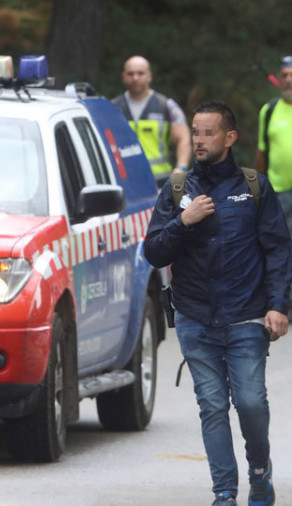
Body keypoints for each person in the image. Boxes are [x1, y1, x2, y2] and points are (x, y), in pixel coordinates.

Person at [144, 101, 291, 506]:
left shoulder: (254, 187)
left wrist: (279, 305)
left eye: (208, 132)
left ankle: (259, 471)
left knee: (249, 402)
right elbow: (154, 252)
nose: (199, 140)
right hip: (195, 318)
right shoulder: (177, 189)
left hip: (247, 317)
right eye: (195, 132)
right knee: (211, 406)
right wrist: (182, 221)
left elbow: (278, 251)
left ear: (229, 138)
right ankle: (224, 493)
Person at [112, 55, 192, 184]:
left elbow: (184, 138)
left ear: (149, 76)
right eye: (130, 74)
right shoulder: (112, 108)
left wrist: (181, 167)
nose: (135, 78)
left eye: (140, 73)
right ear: (123, 77)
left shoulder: (166, 106)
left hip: (159, 182)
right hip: (124, 182)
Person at [256, 55, 292, 241]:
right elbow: (261, 152)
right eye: (284, 75)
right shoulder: (268, 111)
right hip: (279, 191)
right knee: (281, 242)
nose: (288, 80)